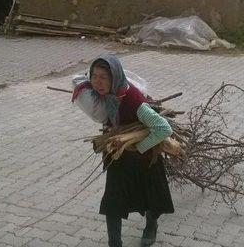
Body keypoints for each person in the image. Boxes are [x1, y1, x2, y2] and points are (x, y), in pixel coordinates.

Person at [72, 54, 175, 247]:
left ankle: (151, 226)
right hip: (119, 155)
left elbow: (163, 128)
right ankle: (115, 242)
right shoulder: (107, 96)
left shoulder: (133, 100)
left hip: (145, 157)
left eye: (104, 77)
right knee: (114, 199)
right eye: (94, 76)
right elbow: (80, 83)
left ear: (115, 76)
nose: (98, 82)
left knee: (151, 195)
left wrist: (140, 148)